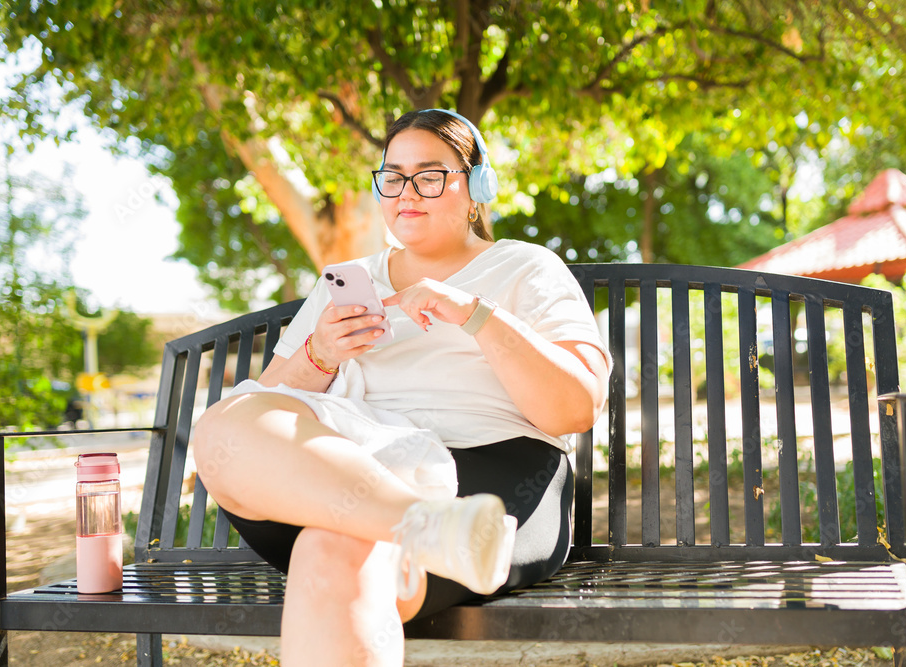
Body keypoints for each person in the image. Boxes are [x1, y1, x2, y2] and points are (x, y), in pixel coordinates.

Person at [193, 108, 611, 667]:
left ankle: (437, 523)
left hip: (492, 477)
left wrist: (476, 316)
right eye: (392, 176)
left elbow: (576, 407)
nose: (406, 192)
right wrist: (321, 353)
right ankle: (429, 525)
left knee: (332, 549)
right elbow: (270, 407)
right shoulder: (344, 280)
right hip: (351, 467)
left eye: (430, 175)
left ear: (476, 186)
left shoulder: (526, 267)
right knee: (226, 420)